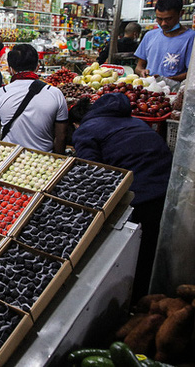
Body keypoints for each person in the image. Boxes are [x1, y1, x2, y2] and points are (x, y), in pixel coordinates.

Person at [69, 94, 172, 301]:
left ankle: (130, 302)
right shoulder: (137, 123)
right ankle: (149, 294)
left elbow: (93, 174)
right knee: (152, 247)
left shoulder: (87, 130)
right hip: (167, 191)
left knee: (132, 252)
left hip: (139, 195)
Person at [0, 43, 67, 153]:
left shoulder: (0, 93)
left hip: (9, 157)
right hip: (44, 160)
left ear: (10, 69)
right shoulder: (55, 93)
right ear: (37, 67)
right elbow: (61, 136)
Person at [135, 0, 195, 82]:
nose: (163, 23)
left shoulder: (191, 38)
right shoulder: (150, 36)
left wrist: (167, 80)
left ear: (181, 13)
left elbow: (192, 73)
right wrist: (142, 71)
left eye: (168, 19)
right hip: (150, 89)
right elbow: (139, 66)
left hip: (175, 91)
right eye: (159, 19)